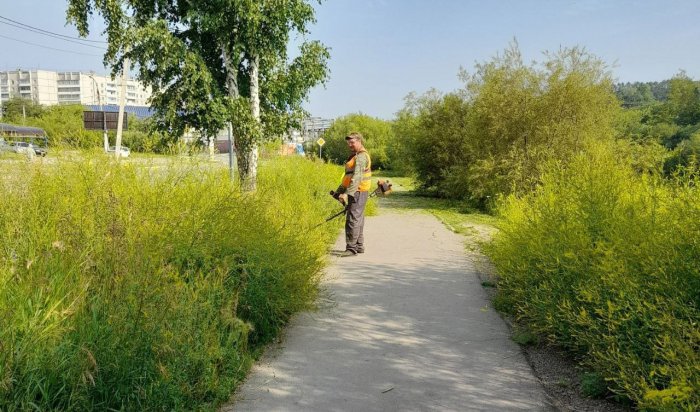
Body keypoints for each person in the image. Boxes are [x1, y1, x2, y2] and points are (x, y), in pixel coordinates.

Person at [335, 132, 372, 257]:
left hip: (358, 191)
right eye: (348, 143)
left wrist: (346, 194)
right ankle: (359, 246)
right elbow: (348, 176)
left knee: (352, 219)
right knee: (358, 218)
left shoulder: (361, 156)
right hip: (357, 191)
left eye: (352, 142)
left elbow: (357, 177)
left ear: (359, 141)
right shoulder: (356, 156)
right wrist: (339, 191)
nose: (350, 145)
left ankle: (351, 248)